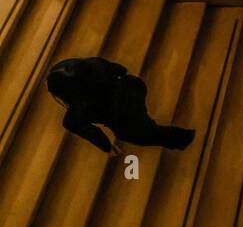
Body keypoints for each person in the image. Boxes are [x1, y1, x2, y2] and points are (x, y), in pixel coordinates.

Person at [46, 57, 195, 154]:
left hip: (123, 116)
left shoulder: (75, 115)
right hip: (133, 87)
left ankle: (186, 138)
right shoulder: (96, 64)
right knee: (144, 124)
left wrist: (107, 147)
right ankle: (180, 137)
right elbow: (121, 70)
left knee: (147, 135)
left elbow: (92, 132)